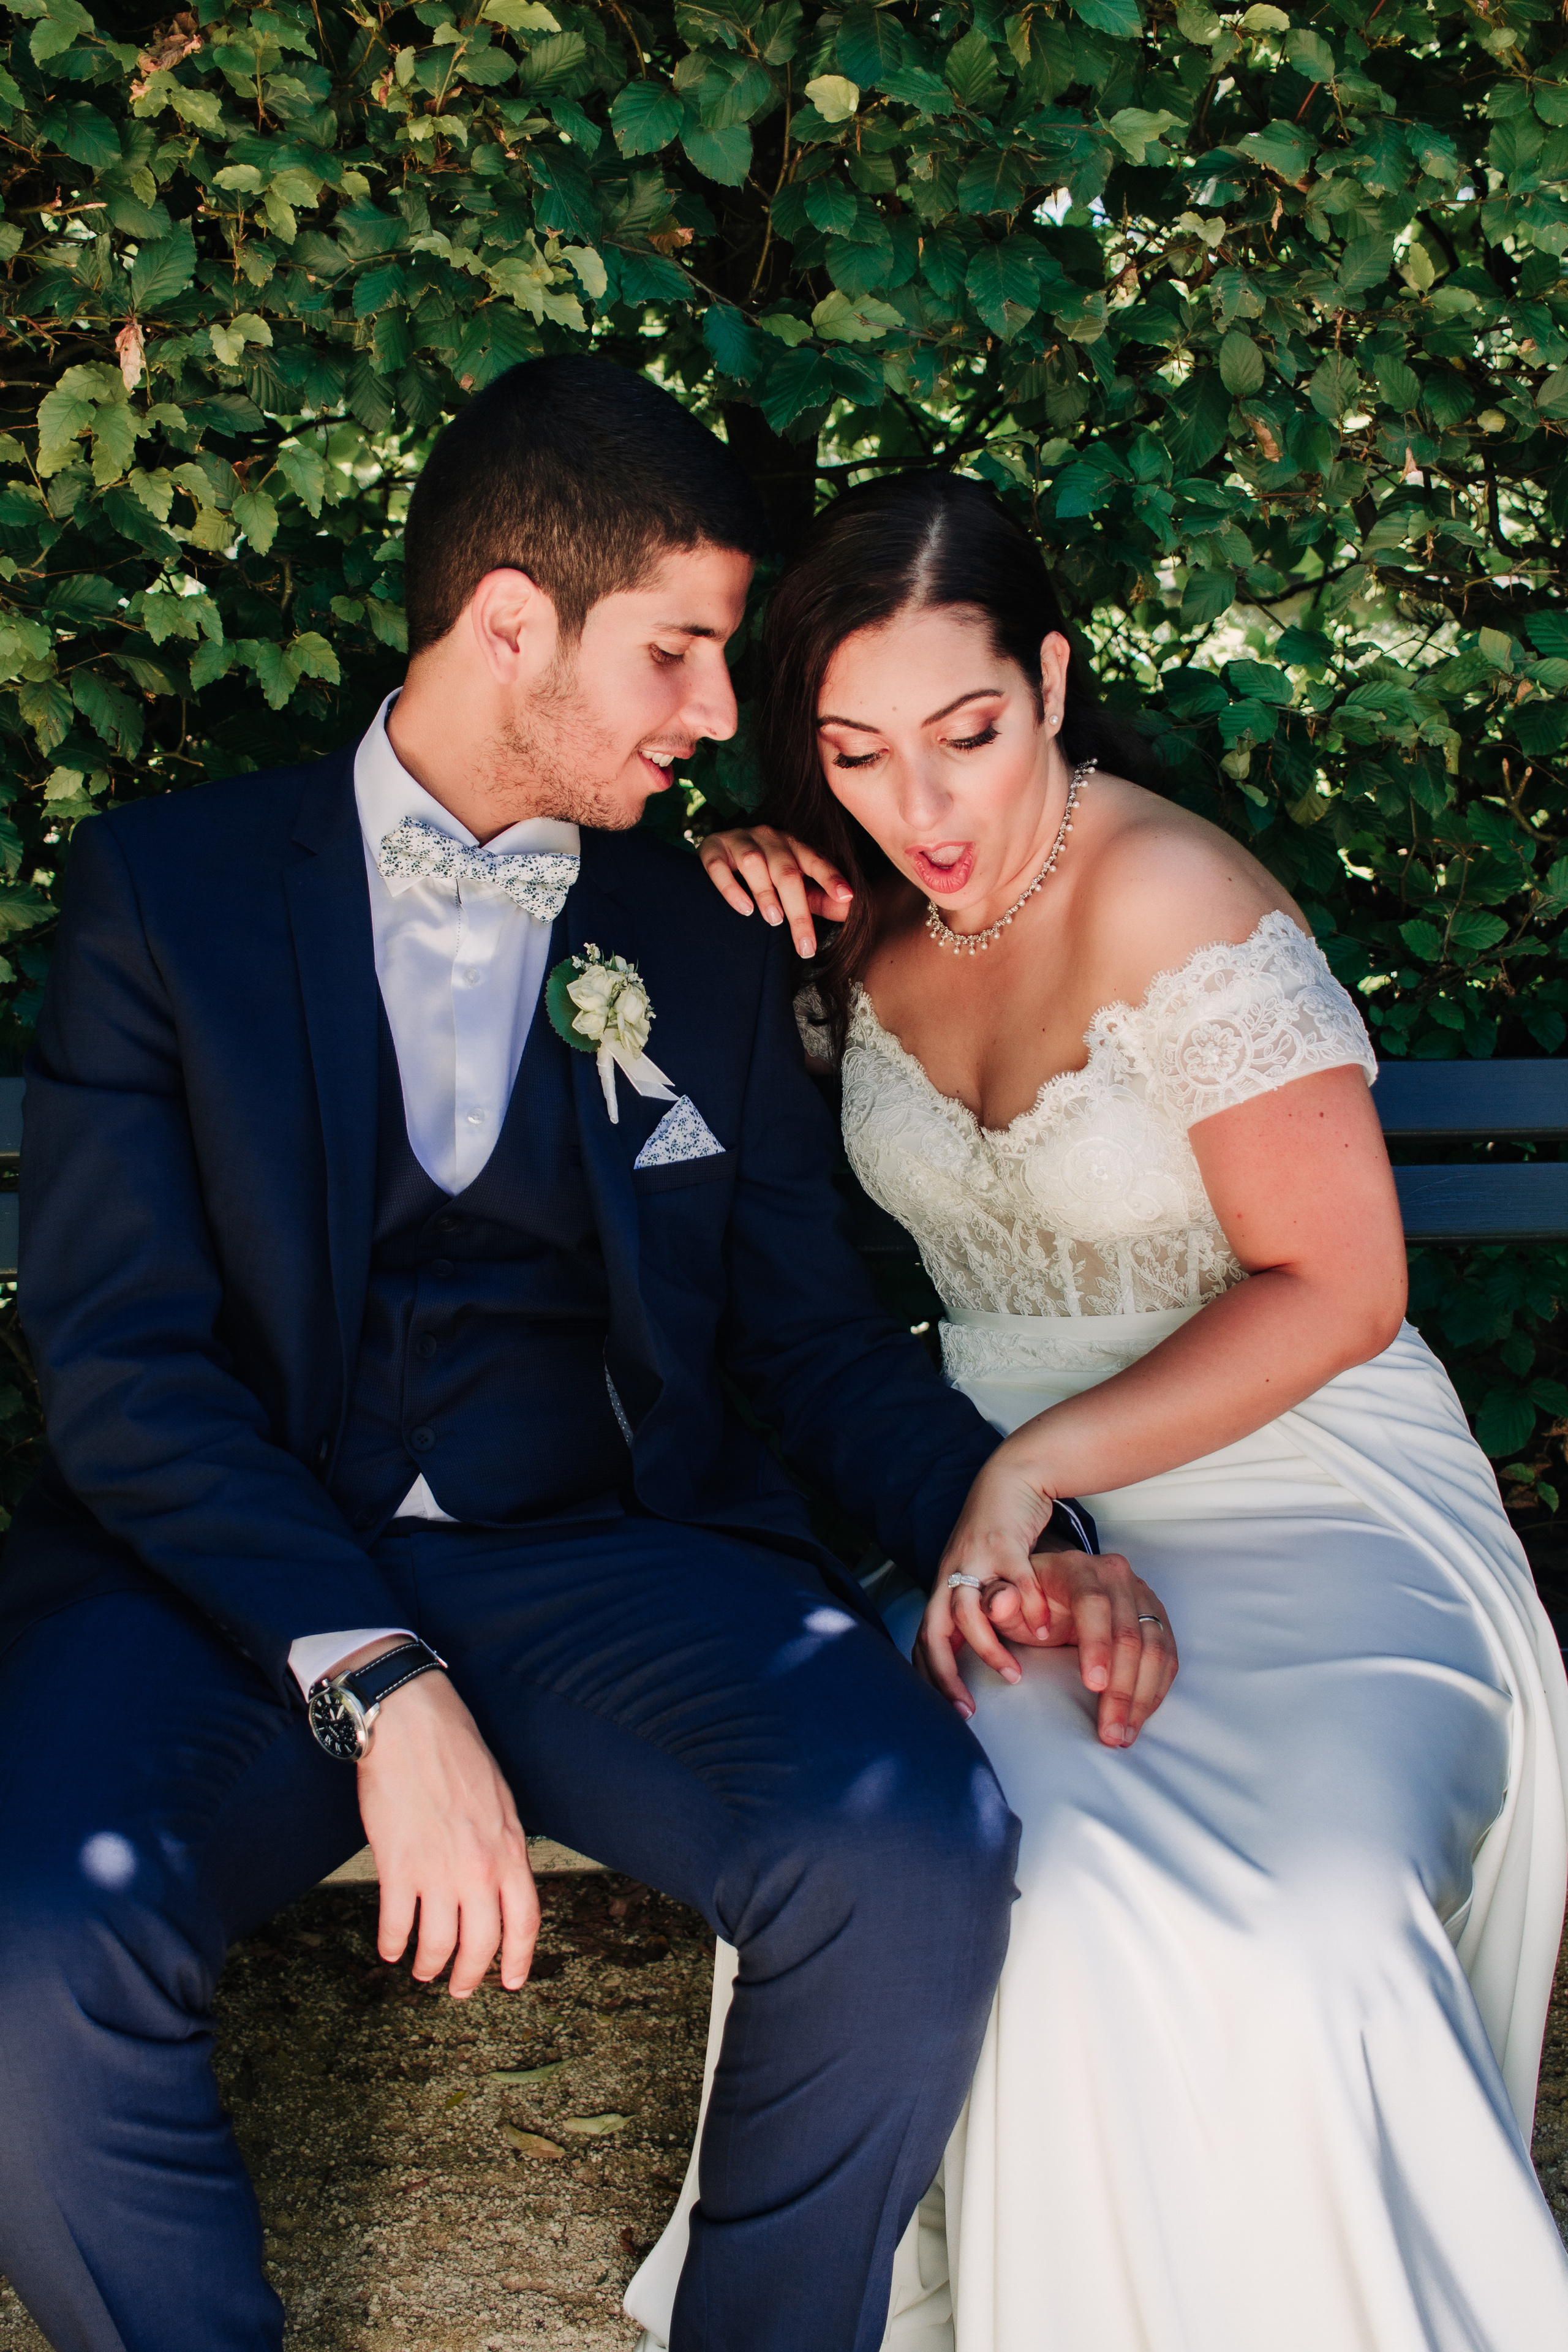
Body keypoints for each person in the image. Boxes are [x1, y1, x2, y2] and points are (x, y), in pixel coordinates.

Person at [0, 366, 1177, 2352]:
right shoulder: (168, 896)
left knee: (908, 1852)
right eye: (683, 652)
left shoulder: (704, 930)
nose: (724, 718)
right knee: (27, 1942)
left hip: (602, 1556)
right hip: (224, 1581)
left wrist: (1006, 1516)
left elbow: (810, 1336)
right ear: (511, 625)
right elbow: (121, 1360)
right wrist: (374, 1680)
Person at [629, 472, 1568, 2351]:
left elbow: (1345, 1285)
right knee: (1023, 1871)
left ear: (1051, 680)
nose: (929, 805)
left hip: (1303, 1476)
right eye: (863, 755)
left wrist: (1033, 1470)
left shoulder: (1177, 896)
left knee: (1306, 1904)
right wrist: (705, 886)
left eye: (970, 736)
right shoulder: (846, 922)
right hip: (1002, 1517)